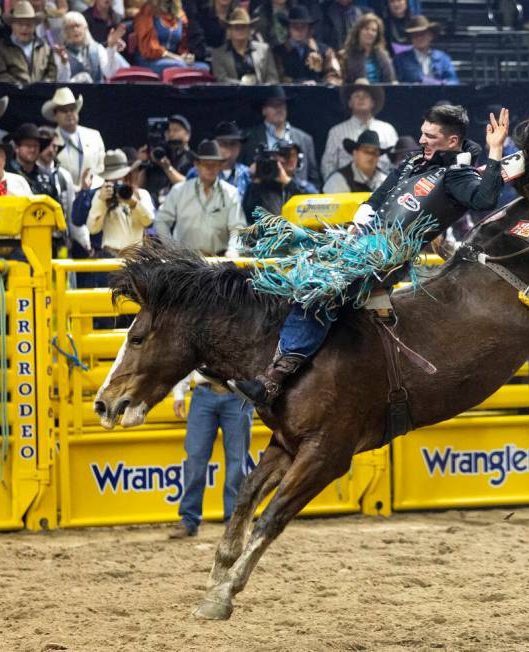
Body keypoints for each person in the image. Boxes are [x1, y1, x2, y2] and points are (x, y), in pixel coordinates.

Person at [229, 104, 509, 407]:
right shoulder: (415, 161)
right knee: (293, 273)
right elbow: (381, 195)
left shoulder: (457, 175)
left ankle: (274, 377)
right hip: (360, 242)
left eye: (430, 135)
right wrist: (362, 216)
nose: (422, 139)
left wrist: (496, 150)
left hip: (387, 259)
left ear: (452, 142)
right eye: (423, 132)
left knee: (322, 288)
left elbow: (485, 199)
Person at [168, 370, 254, 539]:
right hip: (208, 394)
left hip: (236, 392)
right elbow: (189, 355)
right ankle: (189, 520)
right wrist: (179, 393)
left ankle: (233, 522)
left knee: (237, 463)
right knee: (195, 459)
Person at [155, 139, 245, 257]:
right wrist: (171, 248)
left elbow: (237, 228)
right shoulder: (179, 190)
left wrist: (233, 250)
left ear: (220, 166)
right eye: (205, 164)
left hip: (220, 262)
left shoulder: (231, 193)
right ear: (197, 165)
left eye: (214, 164)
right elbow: (161, 220)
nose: (210, 168)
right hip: (184, 262)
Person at [241, 85, 320, 188]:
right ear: (263, 110)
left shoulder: (304, 139)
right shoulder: (249, 138)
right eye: (273, 105)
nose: (278, 109)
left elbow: (314, 179)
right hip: (263, 197)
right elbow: (241, 173)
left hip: (295, 196)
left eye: (282, 104)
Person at [321, 78, 398, 181]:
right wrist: (335, 188)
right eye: (357, 96)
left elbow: (397, 163)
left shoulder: (388, 130)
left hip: (383, 188)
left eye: (366, 96)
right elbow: (328, 165)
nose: (361, 99)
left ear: (372, 103)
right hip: (347, 190)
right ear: (350, 103)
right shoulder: (336, 132)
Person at [87, 150, 155, 257]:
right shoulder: (101, 195)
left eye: (120, 176)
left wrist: (133, 203)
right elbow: (93, 228)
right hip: (110, 256)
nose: (117, 182)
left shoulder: (141, 194)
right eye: (113, 178)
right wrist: (101, 202)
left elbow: (148, 222)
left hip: (135, 259)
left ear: (128, 174)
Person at [43, 87, 106, 183]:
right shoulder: (49, 140)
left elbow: (101, 167)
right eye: (64, 110)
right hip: (62, 194)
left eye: (72, 109)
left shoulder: (94, 136)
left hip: (92, 193)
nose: (69, 113)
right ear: (55, 114)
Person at [242, 139, 316, 221]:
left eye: (294, 155)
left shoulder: (301, 185)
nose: (291, 159)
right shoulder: (262, 186)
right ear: (274, 157)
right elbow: (247, 214)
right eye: (285, 155)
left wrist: (288, 182)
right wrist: (256, 183)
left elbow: (316, 201)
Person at [134, 0, 209, 75]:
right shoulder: (147, 11)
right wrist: (177, 58)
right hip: (150, 59)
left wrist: (185, 55)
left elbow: (183, 43)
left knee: (203, 68)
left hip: (175, 59)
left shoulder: (180, 13)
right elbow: (149, 49)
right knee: (178, 66)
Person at [273, 5, 341, 83]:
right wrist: (300, 83)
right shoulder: (278, 53)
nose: (299, 30)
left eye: (303, 26)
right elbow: (278, 78)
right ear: (289, 29)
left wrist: (318, 83)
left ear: (309, 28)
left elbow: (335, 75)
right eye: (295, 26)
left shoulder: (325, 51)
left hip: (319, 93)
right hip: (289, 94)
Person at [211, 7, 280, 83]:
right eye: (236, 27)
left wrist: (263, 90)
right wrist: (244, 86)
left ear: (249, 29)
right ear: (229, 30)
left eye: (243, 27)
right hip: (232, 93)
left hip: (262, 93)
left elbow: (272, 78)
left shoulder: (264, 50)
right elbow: (221, 79)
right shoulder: (218, 54)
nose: (240, 30)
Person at [0, 0, 59, 83]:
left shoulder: (45, 48)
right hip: (12, 94)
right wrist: (20, 88)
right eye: (20, 24)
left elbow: (51, 73)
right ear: (12, 25)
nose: (24, 28)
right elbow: (1, 74)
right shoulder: (1, 48)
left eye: (29, 24)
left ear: (35, 26)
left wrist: (42, 87)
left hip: (42, 94)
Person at [186, 121, 251, 199]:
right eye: (223, 144)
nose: (228, 149)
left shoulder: (247, 175)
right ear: (214, 145)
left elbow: (255, 208)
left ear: (239, 147)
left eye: (233, 144)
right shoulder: (197, 172)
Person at [140, 113, 194, 206]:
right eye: (169, 130)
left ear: (187, 135)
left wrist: (167, 168)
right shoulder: (160, 154)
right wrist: (143, 163)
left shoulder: (192, 159)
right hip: (154, 208)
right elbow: (140, 186)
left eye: (176, 130)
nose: (171, 133)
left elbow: (188, 185)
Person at [61, 11, 129, 82]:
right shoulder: (62, 52)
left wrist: (111, 47)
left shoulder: (97, 48)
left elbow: (109, 73)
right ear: (65, 31)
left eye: (77, 26)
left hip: (98, 91)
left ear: (85, 28)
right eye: (70, 27)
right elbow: (60, 81)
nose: (75, 30)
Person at [393, 15, 458, 84]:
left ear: (430, 36)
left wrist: (441, 84)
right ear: (411, 38)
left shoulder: (443, 58)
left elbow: (453, 81)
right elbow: (397, 84)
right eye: (415, 35)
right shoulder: (401, 59)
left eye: (423, 34)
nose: (419, 38)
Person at [323, 129, 389, 193]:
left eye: (374, 153)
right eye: (366, 151)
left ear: (379, 157)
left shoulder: (386, 180)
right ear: (355, 154)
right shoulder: (337, 181)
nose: (370, 156)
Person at [6, 124, 59, 202]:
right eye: (28, 145)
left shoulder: (46, 176)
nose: (32, 150)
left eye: (36, 146)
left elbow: (57, 205)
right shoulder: (6, 173)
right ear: (17, 148)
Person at [340, 13, 397, 83]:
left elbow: (390, 79)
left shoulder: (383, 55)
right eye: (366, 29)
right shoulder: (347, 55)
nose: (370, 33)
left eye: (374, 30)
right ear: (358, 31)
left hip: (381, 92)